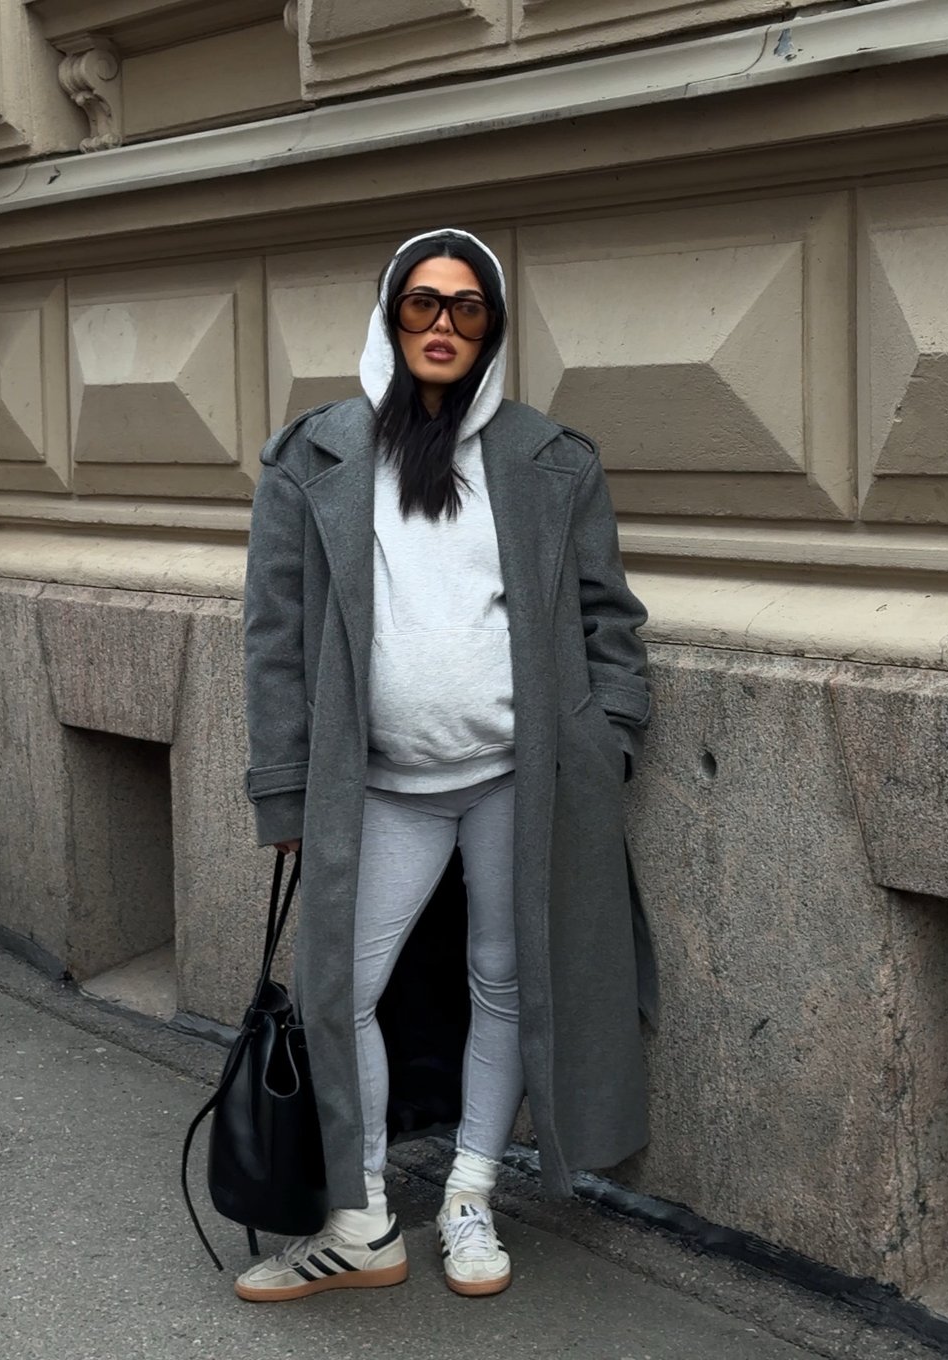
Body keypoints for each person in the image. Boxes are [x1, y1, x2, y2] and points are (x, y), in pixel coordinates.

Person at [238, 228, 654, 1303]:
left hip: (522, 780)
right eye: (423, 304)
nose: (442, 326)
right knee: (339, 988)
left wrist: (603, 740)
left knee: (508, 987)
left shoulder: (550, 459)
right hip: (376, 785)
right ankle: (362, 1215)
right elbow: (274, 640)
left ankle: (469, 1192)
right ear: (389, 315)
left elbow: (611, 620)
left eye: (467, 309)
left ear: (492, 329)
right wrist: (283, 787)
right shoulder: (313, 456)